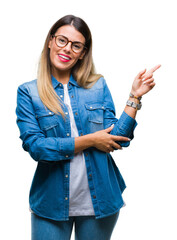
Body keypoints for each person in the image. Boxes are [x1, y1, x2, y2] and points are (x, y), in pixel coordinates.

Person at [16, 15, 161, 240]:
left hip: (100, 200)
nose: (67, 49)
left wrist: (134, 97)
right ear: (50, 41)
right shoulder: (29, 92)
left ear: (83, 52)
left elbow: (117, 138)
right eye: (62, 40)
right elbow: (37, 147)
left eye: (76, 45)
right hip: (50, 203)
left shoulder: (97, 85)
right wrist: (91, 140)